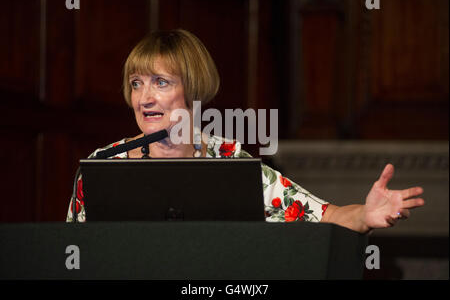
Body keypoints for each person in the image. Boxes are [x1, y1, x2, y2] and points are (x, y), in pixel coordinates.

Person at [66, 29, 425, 233]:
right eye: (136, 83)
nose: (144, 97)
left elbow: (321, 214)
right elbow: (72, 255)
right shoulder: (101, 165)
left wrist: (365, 214)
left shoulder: (230, 160)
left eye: (160, 82)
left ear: (193, 90)